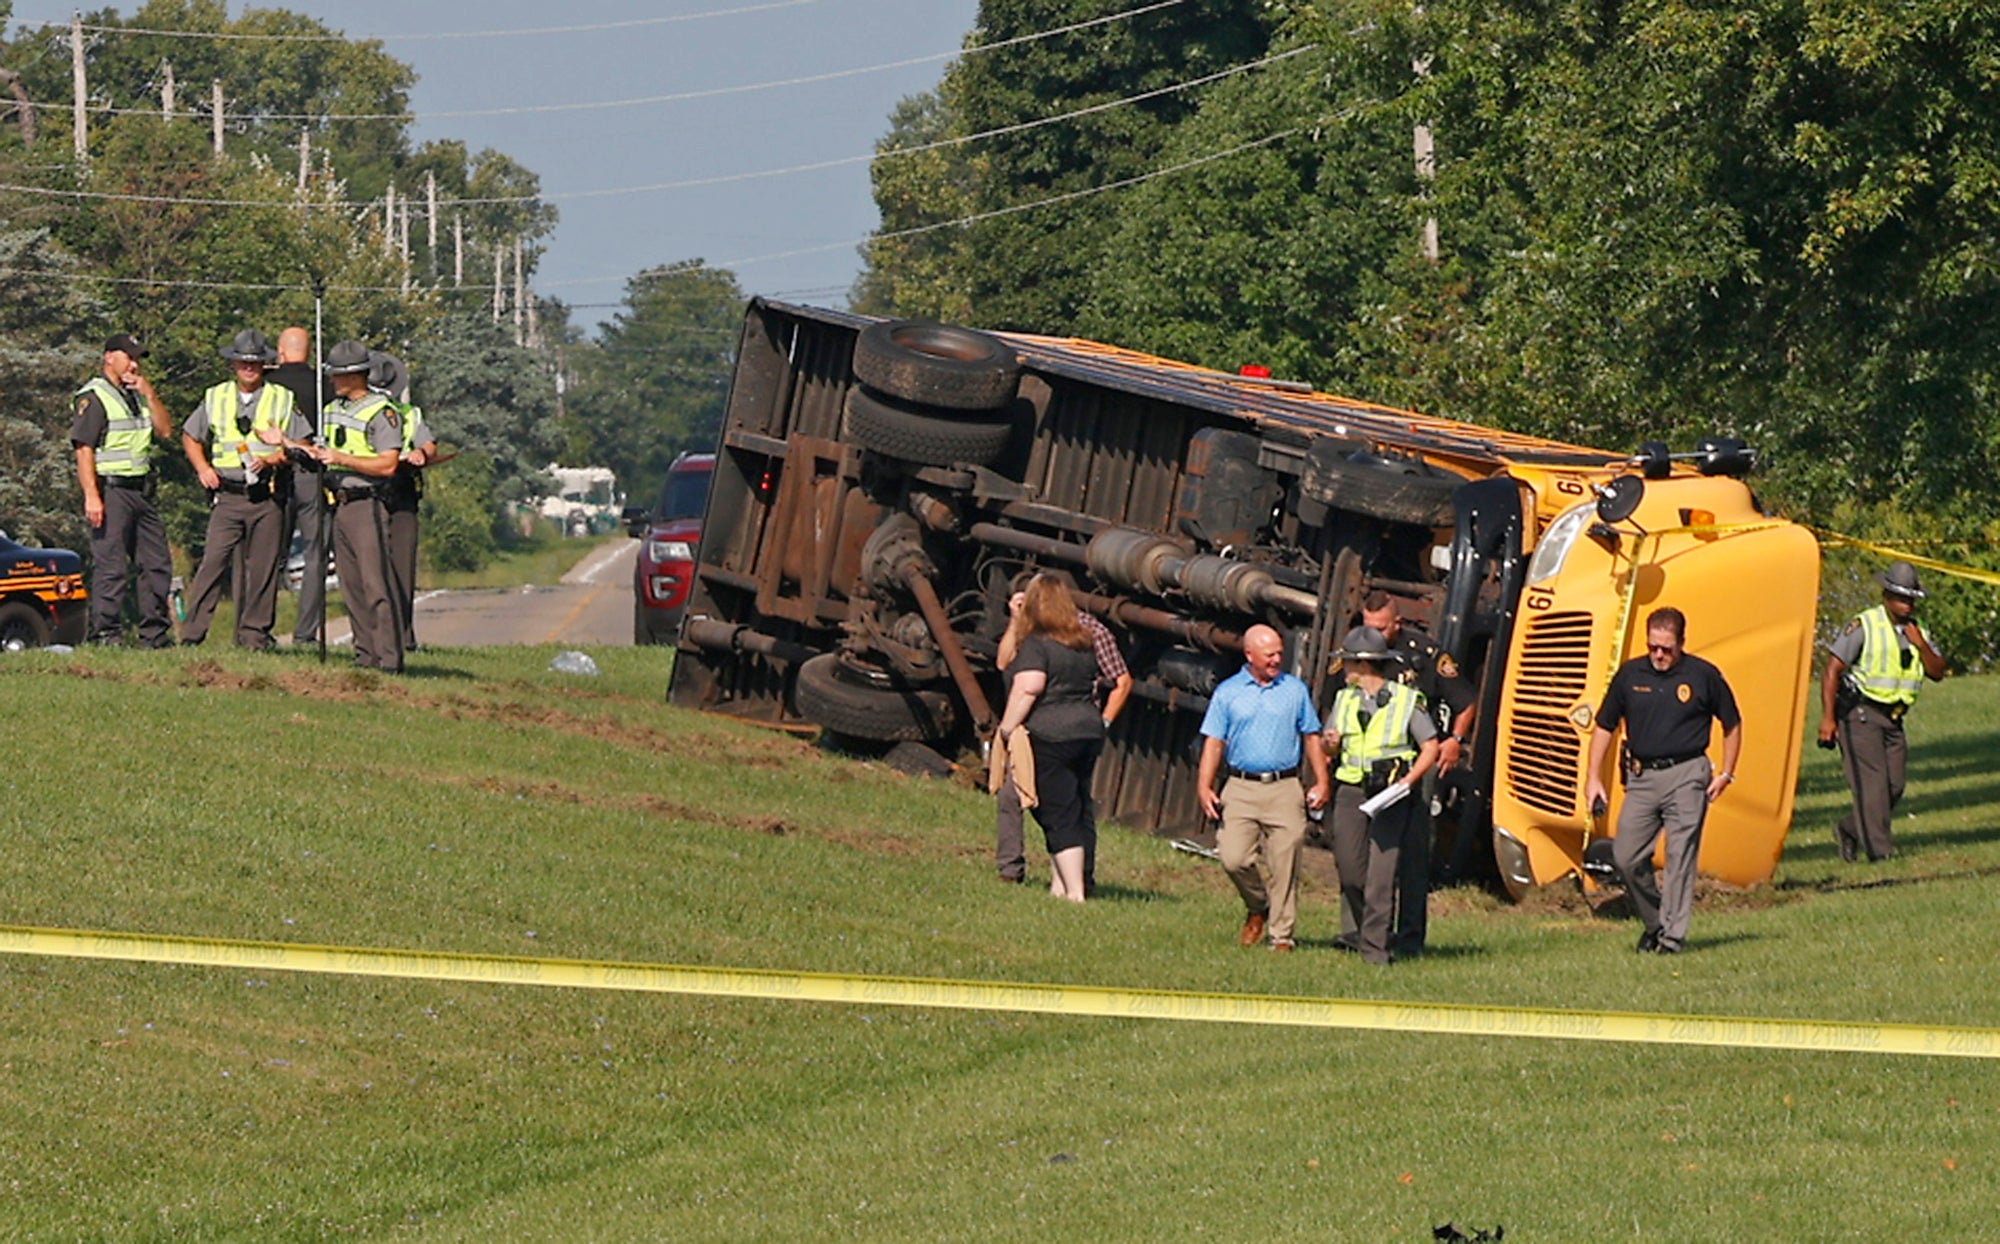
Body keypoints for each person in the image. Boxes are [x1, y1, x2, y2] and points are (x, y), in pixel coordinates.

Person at [1585, 606, 1742, 954]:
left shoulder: (1703, 676)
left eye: (1666, 649)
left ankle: (1672, 939)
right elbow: (1604, 726)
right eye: (1653, 646)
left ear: (1681, 643)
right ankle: (1656, 922)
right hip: (1642, 778)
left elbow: (1732, 723)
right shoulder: (1630, 675)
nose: (1659, 654)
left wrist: (1727, 773)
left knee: (1679, 855)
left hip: (1688, 774)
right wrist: (1593, 777)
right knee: (1625, 856)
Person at [1196, 624, 1330, 951]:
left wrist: (1321, 780)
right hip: (1240, 786)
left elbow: (1311, 736)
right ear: (1249, 654)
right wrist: (1204, 786)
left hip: (1284, 787)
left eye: (1280, 654)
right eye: (1269, 654)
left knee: (1285, 862)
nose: (1276, 660)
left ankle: (1281, 936)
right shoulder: (1228, 692)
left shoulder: (1294, 690)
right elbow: (1214, 743)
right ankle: (1258, 906)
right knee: (1233, 858)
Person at [1355, 591, 1475, 956]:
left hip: (1415, 766)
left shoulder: (1423, 654)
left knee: (1413, 855)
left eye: (1380, 629)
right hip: (1368, 767)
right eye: (1368, 627)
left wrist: (1454, 740)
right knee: (1367, 855)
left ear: (1397, 624)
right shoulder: (1357, 651)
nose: (1373, 636)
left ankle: (1409, 940)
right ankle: (1368, 936)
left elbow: (1465, 701)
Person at [994, 570, 1132, 886]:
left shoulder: (1089, 633)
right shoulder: (1032, 632)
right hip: (1053, 730)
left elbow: (1122, 681)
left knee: (1068, 807)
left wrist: (1105, 721)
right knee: (1015, 797)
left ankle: (1079, 880)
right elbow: (1004, 664)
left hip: (1055, 733)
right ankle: (1013, 869)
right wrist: (1015, 622)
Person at [1323, 625, 1440, 965]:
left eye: (1347, 663)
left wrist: (1409, 782)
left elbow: (1430, 746)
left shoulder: (1405, 699)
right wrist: (1330, 745)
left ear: (1364, 665)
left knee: (1381, 875)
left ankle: (1375, 952)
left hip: (1391, 793)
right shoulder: (1344, 699)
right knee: (1350, 871)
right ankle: (1369, 932)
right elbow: (1332, 747)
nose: (1343, 670)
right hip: (1351, 789)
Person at [178, 330, 298, 650]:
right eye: (243, 362)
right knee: (213, 563)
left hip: (267, 494)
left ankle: (253, 636)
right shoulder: (215, 397)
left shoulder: (282, 398)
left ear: (265, 364)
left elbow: (299, 447)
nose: (249, 368)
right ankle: (192, 634)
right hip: (228, 495)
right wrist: (203, 468)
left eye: (255, 362)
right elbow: (190, 436)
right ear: (233, 363)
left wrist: (272, 458)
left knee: (263, 569)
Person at [1819, 561, 1946, 862]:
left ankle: (1850, 828)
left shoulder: (1920, 632)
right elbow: (1832, 671)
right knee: (1872, 787)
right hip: (1860, 714)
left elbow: (1938, 671)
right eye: (1900, 597)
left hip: (1894, 719)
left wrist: (1920, 646)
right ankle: (1881, 856)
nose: (1906, 604)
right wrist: (1827, 719)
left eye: (1910, 598)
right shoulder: (1864, 625)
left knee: (1894, 786)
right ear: (1886, 595)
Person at [71, 333, 174, 647]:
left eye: (137, 358)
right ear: (109, 357)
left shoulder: (139, 394)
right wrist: (92, 495)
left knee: (156, 563)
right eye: (128, 356)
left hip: (141, 490)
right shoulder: (94, 395)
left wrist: (150, 394)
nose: (134, 364)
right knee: (112, 566)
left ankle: (155, 635)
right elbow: (84, 448)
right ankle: (106, 634)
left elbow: (166, 431)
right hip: (111, 491)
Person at [313, 340, 405, 672]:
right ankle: (364, 655)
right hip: (339, 503)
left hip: (367, 503)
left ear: (356, 375)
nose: (333, 380)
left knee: (374, 583)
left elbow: (387, 465)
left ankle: (390, 659)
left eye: (338, 375)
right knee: (351, 585)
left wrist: (342, 459)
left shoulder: (382, 413)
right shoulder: (331, 409)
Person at [369, 351, 438, 654]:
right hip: (367, 490)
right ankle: (374, 637)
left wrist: (422, 454)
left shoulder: (409, 413)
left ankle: (405, 635)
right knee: (371, 568)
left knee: (402, 567)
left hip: (402, 491)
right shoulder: (356, 413)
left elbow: (428, 442)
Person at [266, 327, 331, 647]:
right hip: (313, 473)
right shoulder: (325, 385)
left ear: (280, 351)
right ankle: (306, 632)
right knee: (315, 552)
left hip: (274, 471)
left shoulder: (268, 384)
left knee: (267, 553)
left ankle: (258, 627)